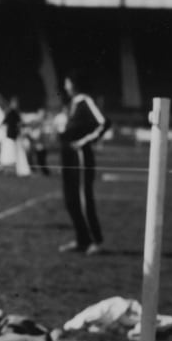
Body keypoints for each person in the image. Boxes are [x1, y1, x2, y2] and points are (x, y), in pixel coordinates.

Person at [57, 70, 109, 255]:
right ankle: (82, 239)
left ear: (74, 83)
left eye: (67, 82)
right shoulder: (71, 104)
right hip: (67, 156)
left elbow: (104, 123)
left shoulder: (86, 100)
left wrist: (83, 142)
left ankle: (96, 241)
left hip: (80, 157)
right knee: (70, 200)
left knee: (83, 199)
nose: (65, 86)